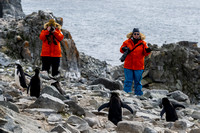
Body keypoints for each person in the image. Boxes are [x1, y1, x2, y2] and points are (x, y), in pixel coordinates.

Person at [120, 28, 151, 96]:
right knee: (128, 81)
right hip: (128, 65)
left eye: (137, 34)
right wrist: (124, 48)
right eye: (135, 34)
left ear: (139, 35)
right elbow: (121, 50)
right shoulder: (127, 42)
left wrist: (148, 51)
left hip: (139, 66)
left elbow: (145, 53)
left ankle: (139, 94)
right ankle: (126, 93)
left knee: (138, 82)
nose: (136, 35)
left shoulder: (143, 43)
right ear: (132, 34)